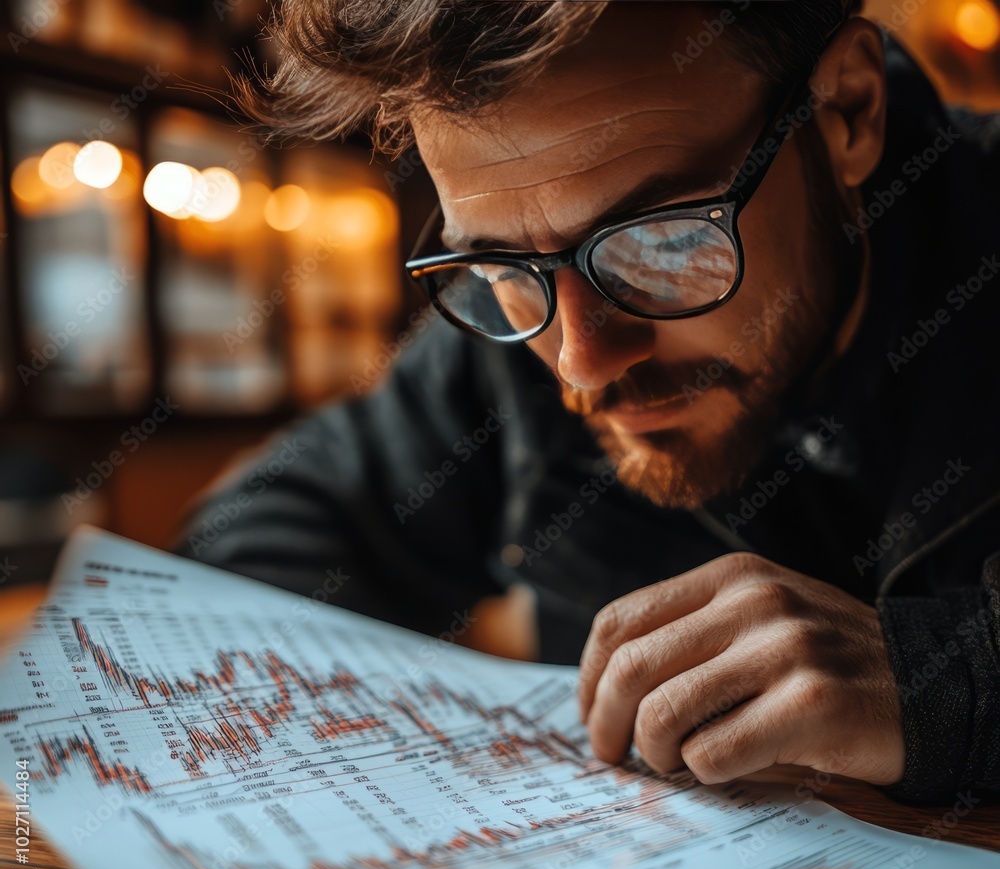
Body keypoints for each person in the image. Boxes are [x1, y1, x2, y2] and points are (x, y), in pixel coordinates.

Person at [176, 1, 1000, 806]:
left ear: (846, 109)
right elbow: (275, 521)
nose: (583, 362)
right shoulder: (523, 316)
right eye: (498, 264)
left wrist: (943, 681)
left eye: (662, 242)